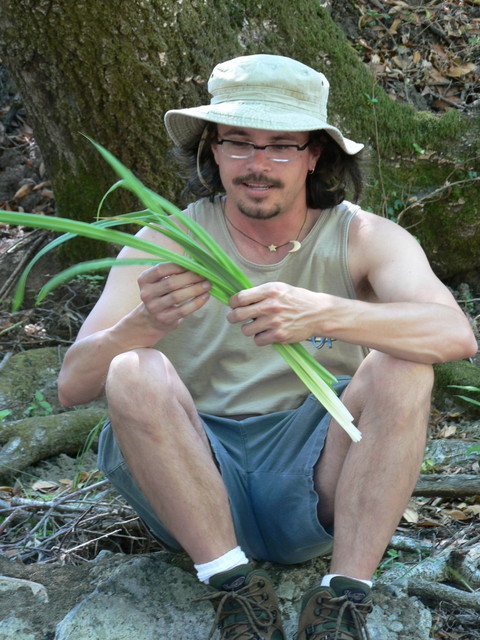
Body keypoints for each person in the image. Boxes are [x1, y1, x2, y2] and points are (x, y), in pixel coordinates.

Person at [57, 54, 477, 640]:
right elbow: (71, 386)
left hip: (316, 475)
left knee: (405, 369)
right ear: (213, 151)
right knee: (133, 368)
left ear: (314, 156)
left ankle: (342, 603)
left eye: (282, 145)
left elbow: (456, 337)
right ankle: (235, 591)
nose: (259, 165)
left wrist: (326, 313)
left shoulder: (365, 237)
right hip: (193, 478)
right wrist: (142, 324)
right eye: (239, 143)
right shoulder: (165, 241)